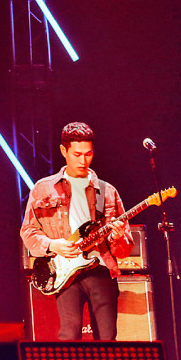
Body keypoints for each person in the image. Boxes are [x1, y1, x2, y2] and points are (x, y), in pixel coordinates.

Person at [20, 122, 133, 340]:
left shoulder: (107, 191)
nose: (83, 161)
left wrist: (118, 237)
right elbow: (28, 231)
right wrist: (53, 245)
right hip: (66, 272)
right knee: (69, 334)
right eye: (77, 154)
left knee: (107, 337)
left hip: (100, 268)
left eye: (88, 154)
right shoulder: (43, 188)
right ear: (64, 151)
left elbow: (124, 250)